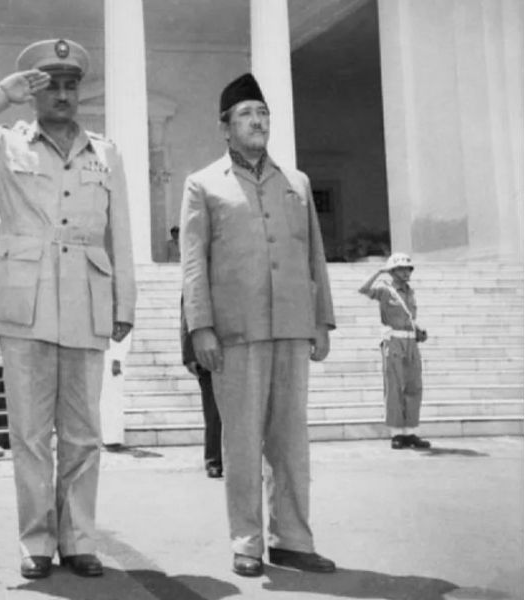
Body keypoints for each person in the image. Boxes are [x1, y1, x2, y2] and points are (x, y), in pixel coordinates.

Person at [0, 37, 136, 580]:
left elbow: (120, 232)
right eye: (50, 85)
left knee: (84, 433)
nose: (62, 95)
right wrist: (3, 93)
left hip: (87, 299)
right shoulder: (2, 145)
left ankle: (80, 540)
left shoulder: (106, 153)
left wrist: (125, 302)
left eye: (71, 85)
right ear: (33, 92)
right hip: (26, 303)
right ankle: (37, 541)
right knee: (30, 433)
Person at [181, 73, 337, 577]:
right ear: (225, 127)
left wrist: (322, 320)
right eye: (247, 114)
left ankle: (292, 540)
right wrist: (200, 328)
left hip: (291, 326)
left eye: (263, 113)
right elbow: (193, 263)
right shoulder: (203, 184)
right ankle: (247, 543)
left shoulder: (297, 182)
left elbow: (314, 254)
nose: (258, 121)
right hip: (236, 332)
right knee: (243, 443)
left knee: (290, 443)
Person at [358, 252, 430, 450]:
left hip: (411, 342)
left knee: (414, 386)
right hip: (394, 341)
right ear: (393, 271)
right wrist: (378, 272)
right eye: (402, 269)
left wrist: (418, 330)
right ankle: (397, 433)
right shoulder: (385, 290)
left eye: (408, 269)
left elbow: (409, 317)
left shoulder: (410, 292)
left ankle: (410, 431)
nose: (407, 272)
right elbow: (363, 289)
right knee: (394, 386)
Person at [180, 294, 222, 478]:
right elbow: (187, 316)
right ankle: (214, 461)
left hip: (236, 351)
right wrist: (189, 356)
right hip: (207, 358)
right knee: (213, 413)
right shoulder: (196, 284)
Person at [100, 335, 132, 448]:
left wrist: (117, 359)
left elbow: (124, 336)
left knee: (113, 399)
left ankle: (113, 438)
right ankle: (107, 437)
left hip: (113, 360)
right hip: (104, 355)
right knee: (105, 400)